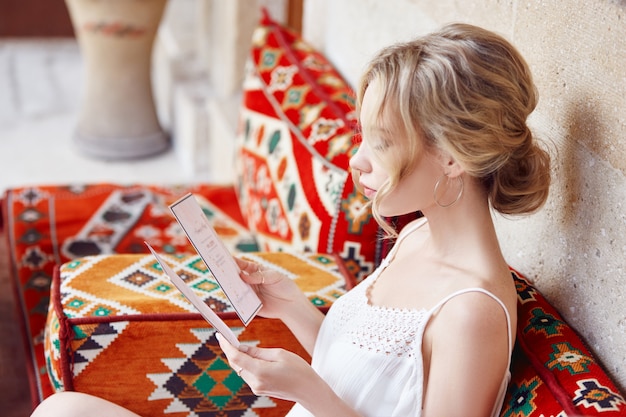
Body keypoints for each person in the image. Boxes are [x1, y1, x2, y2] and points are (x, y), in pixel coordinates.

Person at [31, 22, 551, 417]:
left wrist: (307, 391)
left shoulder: (471, 313)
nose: (358, 160)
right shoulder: (416, 235)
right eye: (361, 135)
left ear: (454, 157)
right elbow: (369, 377)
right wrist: (293, 307)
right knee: (63, 409)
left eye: (382, 142)